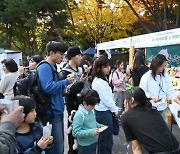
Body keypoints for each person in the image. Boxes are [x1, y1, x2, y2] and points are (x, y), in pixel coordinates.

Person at [37, 41, 74, 154]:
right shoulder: (45, 67)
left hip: (55, 111)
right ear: (51, 53)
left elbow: (53, 87)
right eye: (61, 54)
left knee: (58, 143)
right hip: (50, 113)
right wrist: (65, 82)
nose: (63, 57)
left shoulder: (52, 66)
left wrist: (63, 89)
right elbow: (48, 87)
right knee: (55, 145)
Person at [121, 87, 180, 154]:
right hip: (177, 148)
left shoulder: (126, 118)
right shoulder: (154, 111)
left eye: (125, 100)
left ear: (132, 100)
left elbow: (136, 148)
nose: (124, 103)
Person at [59, 46, 89, 154]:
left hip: (83, 104)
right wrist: (80, 82)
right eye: (79, 55)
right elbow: (68, 91)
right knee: (73, 132)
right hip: (73, 106)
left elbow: (84, 86)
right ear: (72, 57)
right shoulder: (64, 72)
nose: (81, 57)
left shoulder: (80, 70)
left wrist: (85, 75)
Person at [91, 55, 120, 154]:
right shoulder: (100, 82)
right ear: (99, 68)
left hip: (102, 112)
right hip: (103, 113)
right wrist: (115, 110)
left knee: (103, 141)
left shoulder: (100, 79)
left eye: (108, 66)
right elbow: (107, 100)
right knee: (105, 141)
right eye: (105, 66)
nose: (108, 69)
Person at [72, 90, 101, 154]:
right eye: (92, 106)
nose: (93, 107)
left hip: (93, 142)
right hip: (84, 146)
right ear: (84, 103)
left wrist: (99, 126)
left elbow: (92, 122)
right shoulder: (80, 115)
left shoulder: (91, 111)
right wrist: (91, 132)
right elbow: (76, 132)